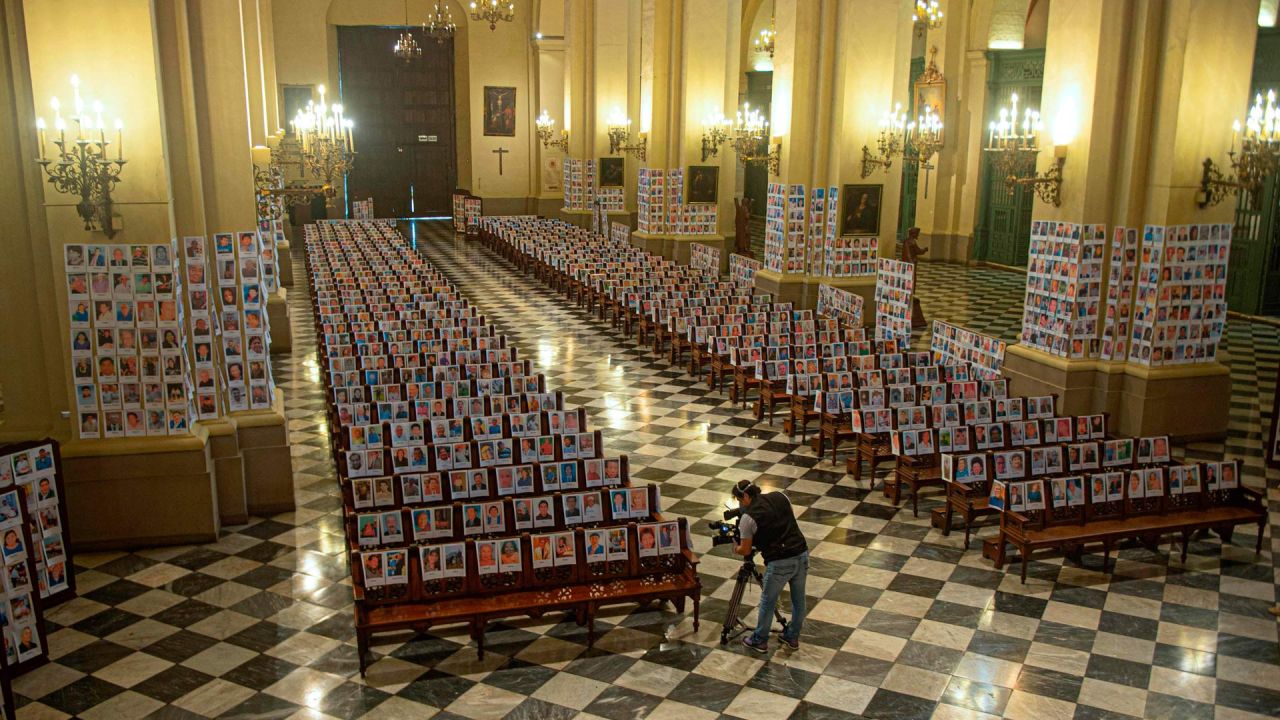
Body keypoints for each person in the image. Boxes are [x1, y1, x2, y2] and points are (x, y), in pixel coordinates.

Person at [733, 479, 808, 653]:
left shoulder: (748, 518)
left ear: (745, 496)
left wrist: (735, 548)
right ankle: (792, 636)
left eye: (738, 500)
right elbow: (784, 522)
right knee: (799, 600)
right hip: (801, 554)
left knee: (768, 600)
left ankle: (759, 640)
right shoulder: (780, 496)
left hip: (779, 562)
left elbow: (745, 550)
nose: (739, 504)